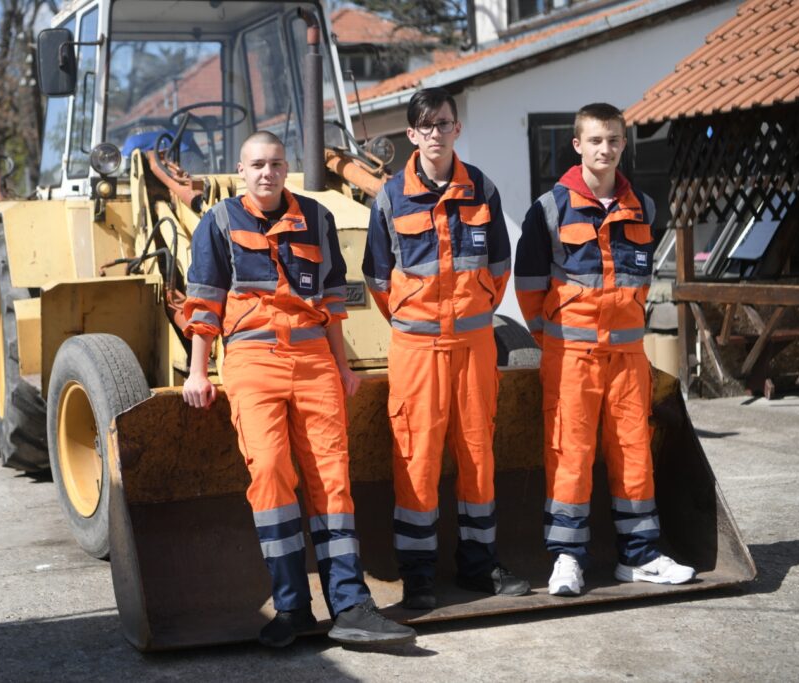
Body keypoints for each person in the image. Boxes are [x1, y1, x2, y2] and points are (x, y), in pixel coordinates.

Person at [182, 131, 416, 647]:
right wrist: (197, 372)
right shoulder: (218, 222)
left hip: (314, 360)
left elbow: (334, 299)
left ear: (287, 168)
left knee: (332, 480)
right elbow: (203, 304)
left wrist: (343, 365)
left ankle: (351, 605)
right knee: (268, 473)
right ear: (240, 171)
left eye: (276, 164)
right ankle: (292, 608)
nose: (267, 173)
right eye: (257, 165)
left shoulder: (318, 217)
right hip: (251, 358)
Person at [515, 102, 695, 596]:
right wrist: (552, 340)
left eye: (614, 140)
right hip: (571, 359)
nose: (605, 148)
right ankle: (567, 560)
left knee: (634, 453)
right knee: (569, 455)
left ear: (623, 144)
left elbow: (642, 280)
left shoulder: (645, 208)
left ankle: (639, 558)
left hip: (628, 361)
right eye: (596, 140)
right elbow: (528, 287)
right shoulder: (549, 210)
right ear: (578, 145)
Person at [362, 87, 530, 610]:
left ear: (458, 129)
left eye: (445, 123)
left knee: (478, 453)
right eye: (426, 125)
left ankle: (479, 566)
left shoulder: (483, 189)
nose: (436, 132)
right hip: (416, 351)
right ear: (411, 134)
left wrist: (471, 312)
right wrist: (422, 322)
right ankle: (419, 577)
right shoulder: (390, 197)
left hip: (475, 345)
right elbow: (377, 279)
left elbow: (499, 270)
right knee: (416, 457)